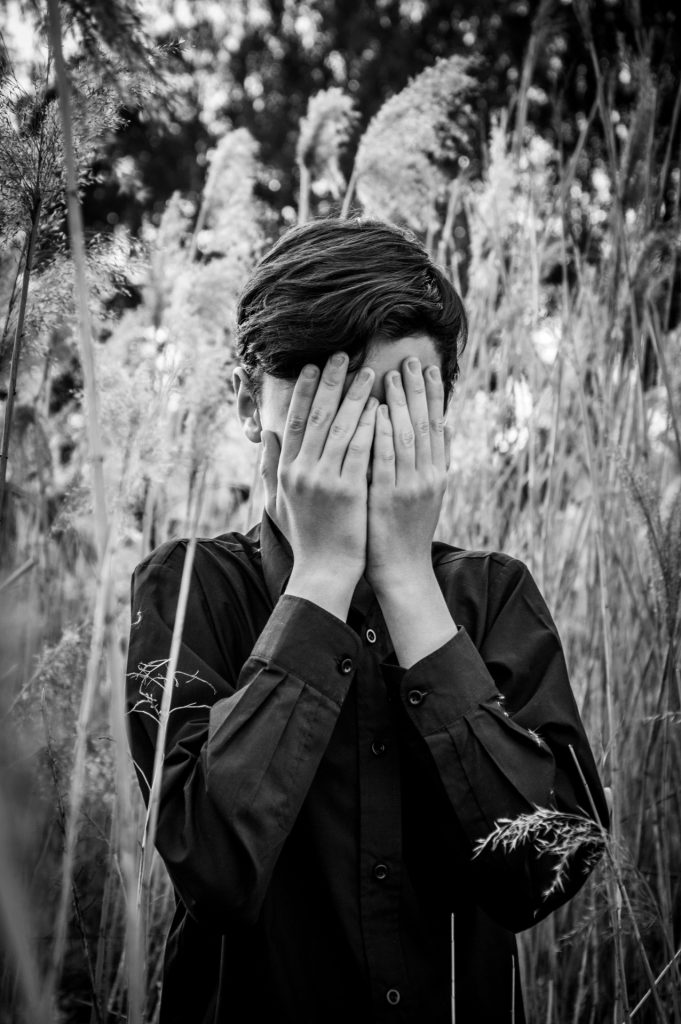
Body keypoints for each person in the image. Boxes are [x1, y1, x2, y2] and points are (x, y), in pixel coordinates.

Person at [126, 218, 608, 1024]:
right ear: (251, 403)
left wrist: (407, 582)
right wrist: (319, 577)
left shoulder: (491, 597)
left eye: (395, 404)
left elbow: (542, 873)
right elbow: (213, 868)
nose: (361, 441)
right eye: (327, 404)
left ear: (440, 412)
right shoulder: (188, 591)